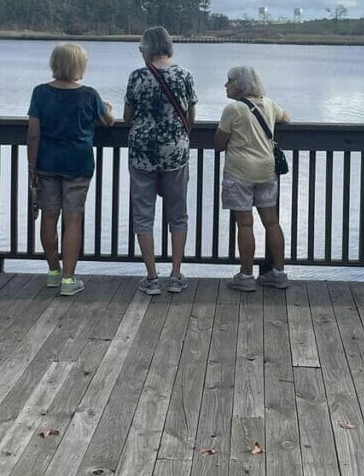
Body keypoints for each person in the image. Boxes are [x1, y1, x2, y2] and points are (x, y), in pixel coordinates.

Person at [27, 43, 115, 296]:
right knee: (73, 217)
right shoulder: (89, 94)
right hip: (78, 164)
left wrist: (31, 165)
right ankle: (68, 279)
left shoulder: (40, 93)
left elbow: (33, 132)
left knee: (49, 215)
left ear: (54, 63)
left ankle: (53, 272)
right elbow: (109, 122)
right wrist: (108, 109)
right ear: (80, 66)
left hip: (47, 163)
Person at [123, 26, 197, 295]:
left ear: (148, 49)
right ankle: (176, 275)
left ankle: (152, 278)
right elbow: (191, 117)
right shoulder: (184, 75)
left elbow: (127, 117)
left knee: (143, 214)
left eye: (141, 48)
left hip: (142, 153)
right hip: (175, 152)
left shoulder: (137, 77)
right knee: (178, 214)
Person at [214, 66, 291, 291]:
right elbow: (286, 119)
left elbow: (219, 144)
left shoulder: (233, 109)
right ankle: (278, 273)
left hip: (240, 173)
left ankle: (246, 276)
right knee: (272, 222)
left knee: (245, 224)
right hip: (266, 171)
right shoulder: (268, 104)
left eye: (230, 81)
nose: (226, 85)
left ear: (241, 84)